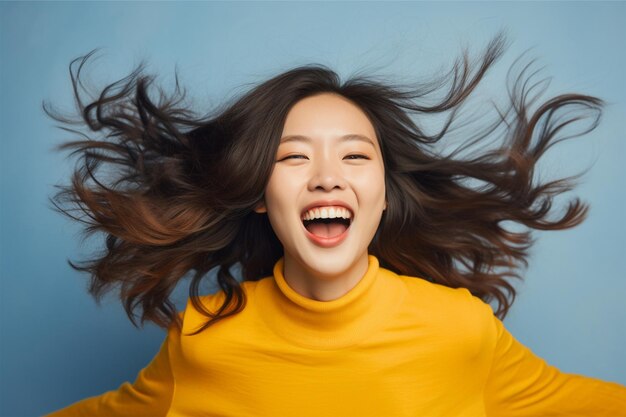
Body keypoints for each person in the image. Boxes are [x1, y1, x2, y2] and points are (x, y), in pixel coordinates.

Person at [44, 34, 626, 416]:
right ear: (258, 196)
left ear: (382, 197)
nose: (326, 178)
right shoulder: (199, 339)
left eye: (354, 156)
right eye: (293, 156)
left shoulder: (461, 332)